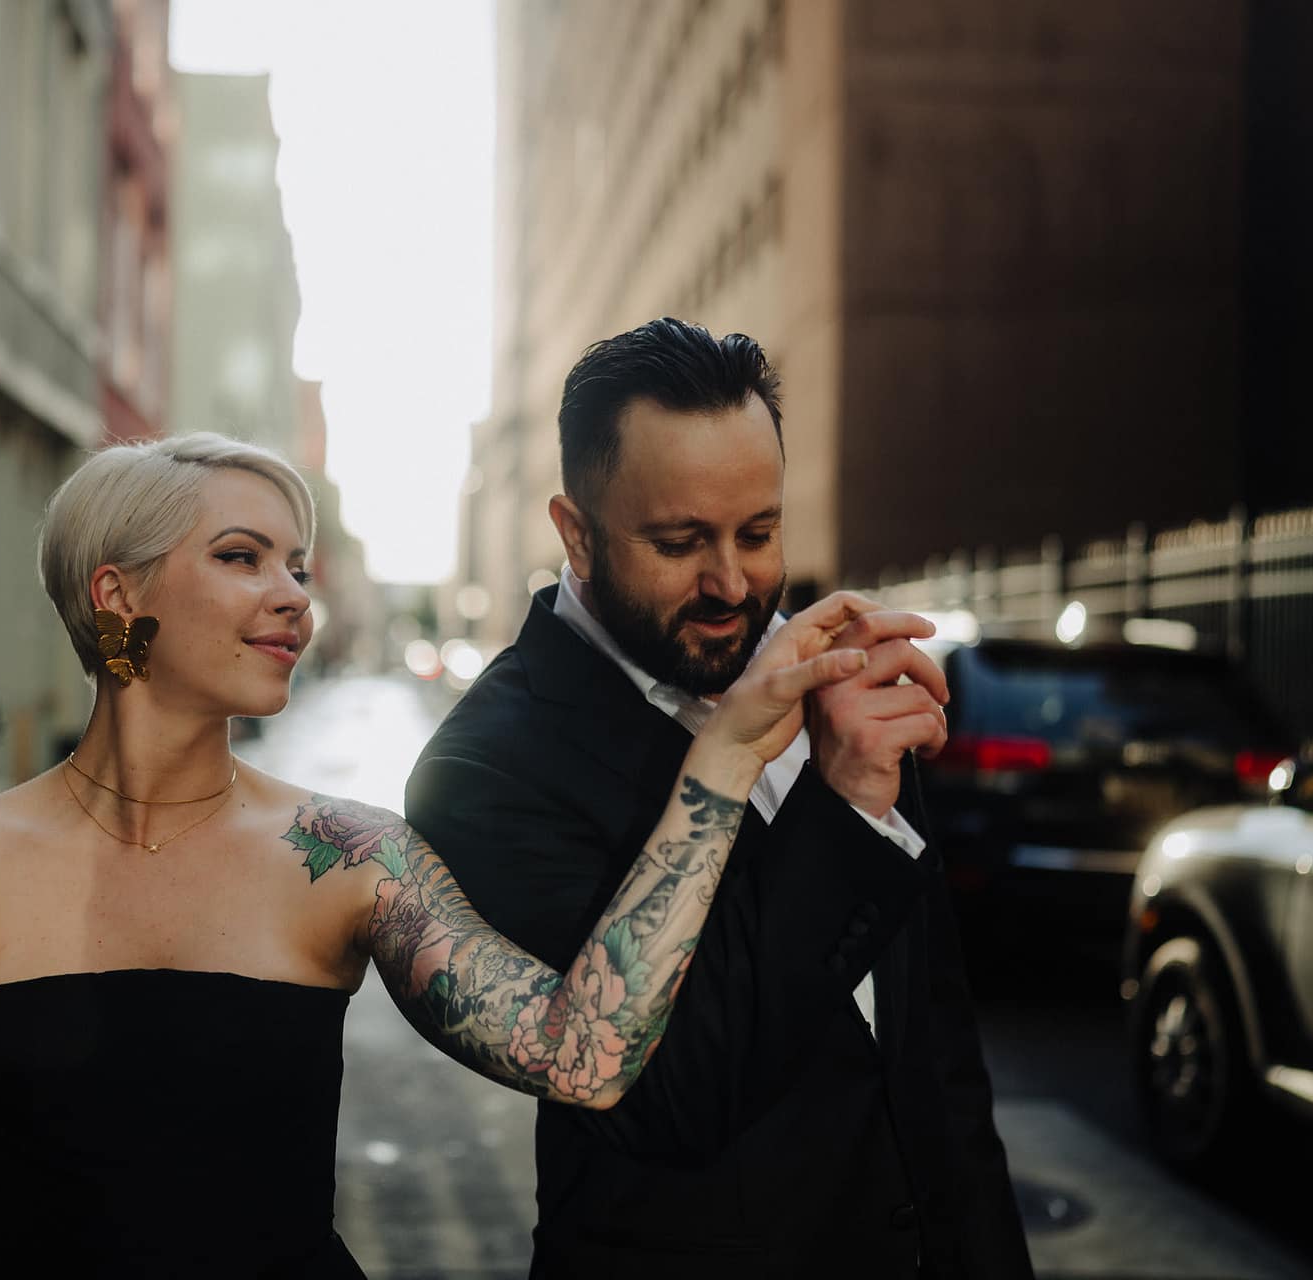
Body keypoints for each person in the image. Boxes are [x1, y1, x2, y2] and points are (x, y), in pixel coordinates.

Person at [0, 431, 922, 1278]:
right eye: (242, 558)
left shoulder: (350, 856)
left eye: (298, 567)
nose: (295, 598)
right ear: (119, 596)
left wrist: (722, 761)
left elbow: (583, 1054)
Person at [406, 319, 1034, 1278]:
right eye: (680, 542)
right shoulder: (485, 770)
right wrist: (841, 806)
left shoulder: (838, 679)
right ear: (576, 534)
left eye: (760, 533)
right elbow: (664, 1099)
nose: (733, 584)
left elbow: (936, 1050)